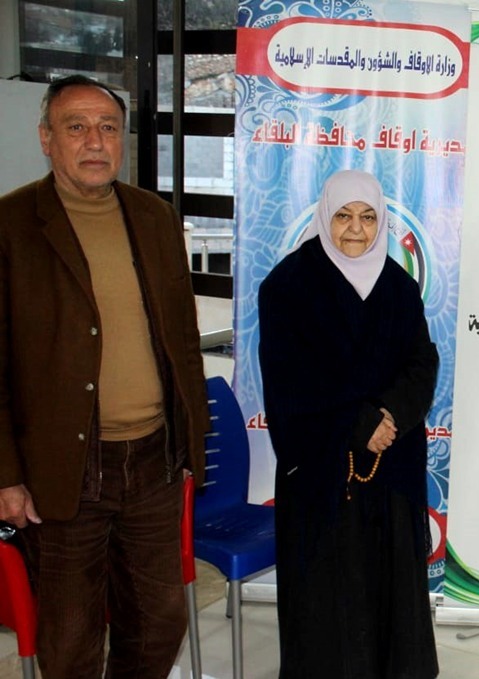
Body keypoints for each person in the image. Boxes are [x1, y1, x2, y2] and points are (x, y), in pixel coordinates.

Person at [0, 74, 210, 676]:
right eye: (76, 127)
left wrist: (190, 443)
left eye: (108, 128)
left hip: (153, 462)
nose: (95, 141)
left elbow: (183, 341)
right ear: (47, 138)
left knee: (159, 621)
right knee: (71, 639)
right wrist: (7, 477)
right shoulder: (12, 225)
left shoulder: (155, 218)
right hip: (63, 471)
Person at [259, 169, 440, 678]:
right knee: (326, 595)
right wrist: (361, 423)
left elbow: (422, 361)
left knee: (390, 588)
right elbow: (290, 378)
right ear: (325, 217)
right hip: (323, 466)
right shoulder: (287, 287)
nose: (356, 229)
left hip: (391, 463)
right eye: (343, 216)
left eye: (367, 217)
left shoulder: (398, 286)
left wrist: (391, 414)